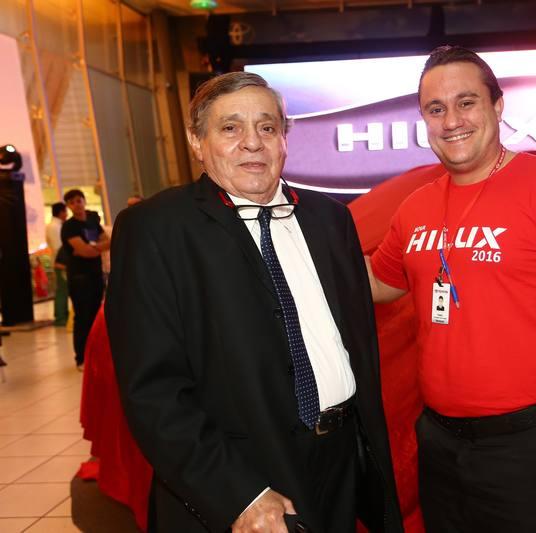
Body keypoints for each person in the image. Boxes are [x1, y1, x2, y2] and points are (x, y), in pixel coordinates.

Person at [366, 46, 536, 532]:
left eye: (466, 102)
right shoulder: (415, 208)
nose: (451, 120)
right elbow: (378, 281)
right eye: (436, 109)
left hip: (535, 446)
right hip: (440, 445)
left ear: (498, 106)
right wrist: (297, 248)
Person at [105, 72, 402, 533]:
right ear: (196, 141)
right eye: (230, 128)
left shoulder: (330, 219)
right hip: (242, 475)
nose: (252, 143)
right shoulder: (155, 229)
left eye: (267, 127)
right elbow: (153, 392)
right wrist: (239, 495)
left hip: (341, 462)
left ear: (284, 138)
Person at [61, 189, 109, 369]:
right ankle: (81, 358)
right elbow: (85, 251)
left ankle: (96, 355)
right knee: (82, 317)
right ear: (68, 206)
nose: (77, 205)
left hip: (96, 274)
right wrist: (95, 247)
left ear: (84, 201)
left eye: (79, 200)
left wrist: (92, 247)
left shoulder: (92, 221)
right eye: (72, 202)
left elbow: (108, 241)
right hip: (79, 277)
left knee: (96, 316)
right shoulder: (69, 226)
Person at [46, 202, 68, 326]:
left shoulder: (56, 225)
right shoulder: (55, 227)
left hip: (60, 262)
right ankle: (60, 317)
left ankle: (62, 315)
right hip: (61, 263)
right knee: (62, 290)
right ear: (61, 212)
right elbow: (59, 247)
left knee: (63, 290)